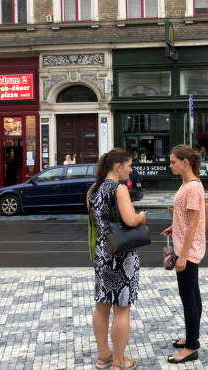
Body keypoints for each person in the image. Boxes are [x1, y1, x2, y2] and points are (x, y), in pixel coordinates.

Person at [87, 148, 146, 370]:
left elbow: (97, 221)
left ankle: (104, 357)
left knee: (101, 305)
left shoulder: (94, 189)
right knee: (122, 308)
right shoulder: (119, 188)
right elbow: (130, 220)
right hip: (120, 254)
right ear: (118, 166)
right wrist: (141, 216)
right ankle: (120, 362)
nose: (131, 170)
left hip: (102, 252)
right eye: (129, 166)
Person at [160, 145, 206, 364]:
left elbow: (194, 224)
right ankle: (191, 338)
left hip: (189, 250)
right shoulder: (187, 184)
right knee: (193, 296)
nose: (170, 166)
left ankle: (191, 348)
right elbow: (185, 218)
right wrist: (173, 226)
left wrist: (183, 256)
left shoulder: (193, 187)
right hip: (186, 245)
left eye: (173, 162)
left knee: (189, 299)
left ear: (185, 162)